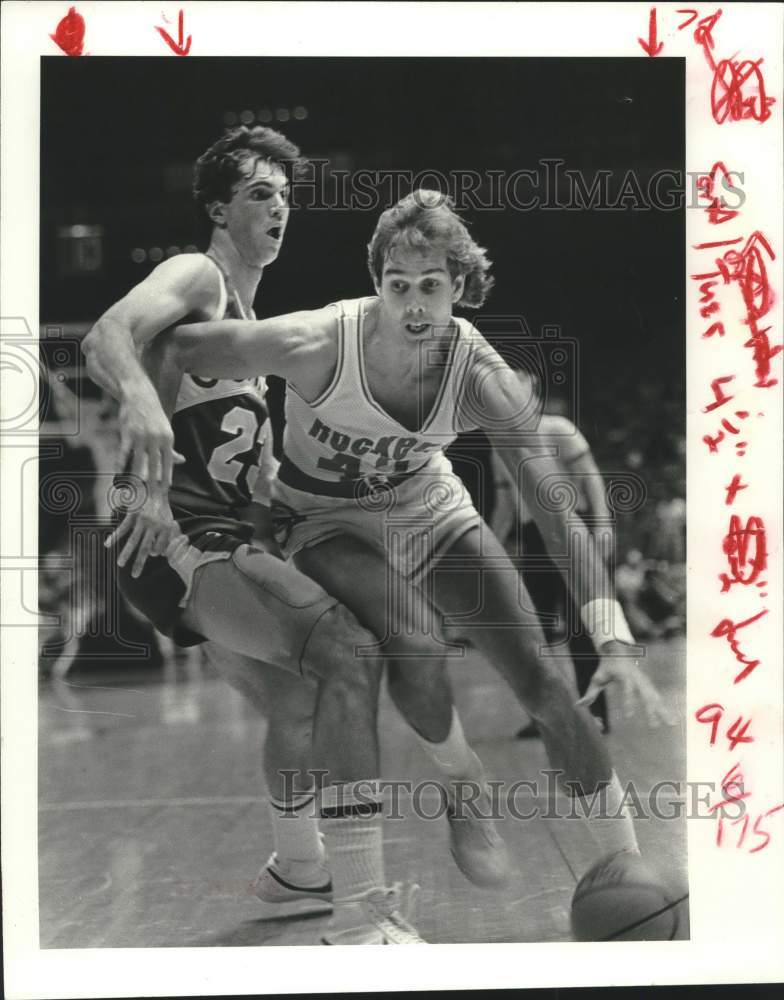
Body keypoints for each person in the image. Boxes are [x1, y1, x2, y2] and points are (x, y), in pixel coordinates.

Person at [161, 190, 674, 913]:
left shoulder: (485, 376)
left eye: (430, 285)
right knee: (413, 635)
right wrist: (143, 462)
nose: (412, 303)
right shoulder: (316, 341)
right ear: (377, 283)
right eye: (397, 284)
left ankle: (631, 872)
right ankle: (464, 783)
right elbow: (174, 347)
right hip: (321, 516)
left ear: (459, 289)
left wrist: (614, 636)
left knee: (546, 682)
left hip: (425, 504)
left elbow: (556, 515)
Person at [81, 127, 445, 945]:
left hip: (208, 537)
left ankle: (299, 867)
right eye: (258, 194)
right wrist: (140, 406)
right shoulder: (198, 276)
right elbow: (106, 335)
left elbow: (251, 474)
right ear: (218, 207)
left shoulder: (249, 325)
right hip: (171, 533)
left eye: (285, 197)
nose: (278, 209)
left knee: (297, 699)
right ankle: (360, 920)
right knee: (347, 654)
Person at [489, 367, 610, 736]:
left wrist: (603, 524)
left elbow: (591, 477)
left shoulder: (558, 429)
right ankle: (547, 714)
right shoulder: (501, 444)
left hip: (572, 530)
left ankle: (595, 712)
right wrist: (490, 546)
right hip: (533, 536)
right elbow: (507, 503)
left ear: (535, 396)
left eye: (519, 389)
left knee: (579, 625)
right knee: (535, 629)